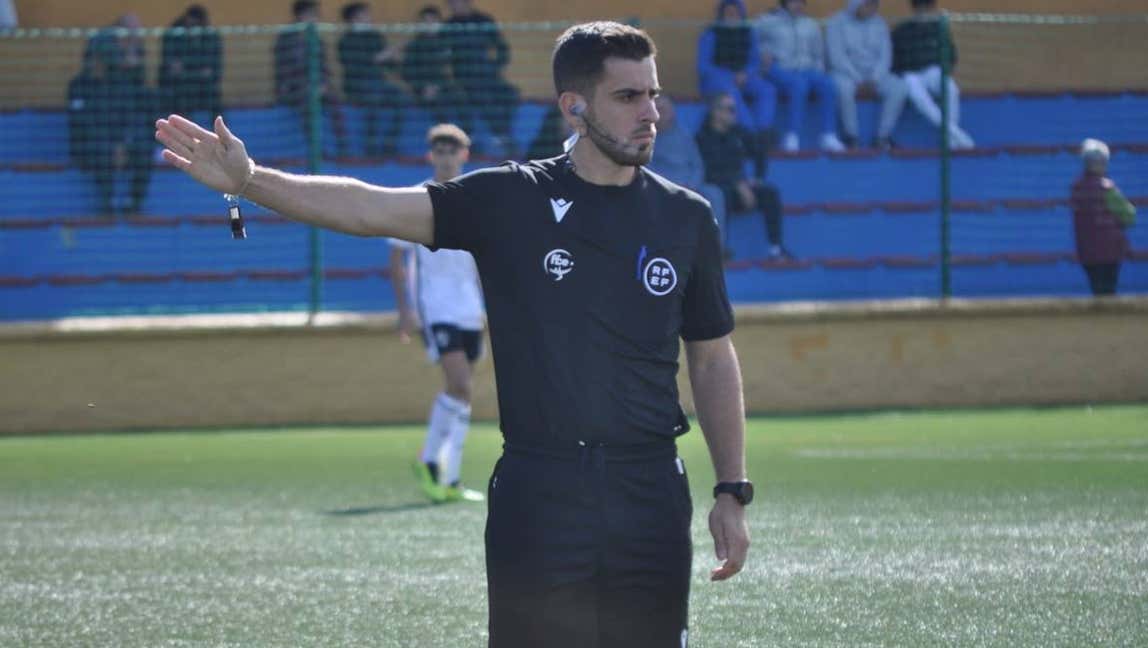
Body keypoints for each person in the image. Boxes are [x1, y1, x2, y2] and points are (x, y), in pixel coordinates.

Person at [155, 20, 751, 647]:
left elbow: (712, 360)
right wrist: (250, 181)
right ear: (574, 107)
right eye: (628, 97)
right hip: (540, 489)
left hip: (650, 489)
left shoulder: (687, 217)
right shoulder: (511, 199)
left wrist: (732, 490)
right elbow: (368, 206)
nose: (650, 112)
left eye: (653, 95)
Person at [389, 124, 486, 503]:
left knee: (461, 392)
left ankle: (447, 475)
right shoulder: (416, 198)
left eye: (453, 151)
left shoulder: (476, 197)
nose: (446, 157)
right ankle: (433, 464)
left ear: (464, 155)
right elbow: (398, 257)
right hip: (437, 306)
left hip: (469, 307)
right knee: (460, 383)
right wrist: (406, 310)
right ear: (431, 157)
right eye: (439, 151)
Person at [697, 93, 790, 261]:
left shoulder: (738, 132)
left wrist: (757, 178)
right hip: (721, 189)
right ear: (716, 112)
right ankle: (720, 249)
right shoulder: (702, 138)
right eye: (730, 110)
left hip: (742, 187)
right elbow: (708, 172)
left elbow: (759, 151)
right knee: (719, 196)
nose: (735, 114)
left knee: (770, 193)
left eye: (735, 110)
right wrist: (737, 185)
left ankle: (776, 249)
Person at [69, 38, 156, 215]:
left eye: (100, 59)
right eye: (93, 59)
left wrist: (122, 144)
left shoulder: (119, 85)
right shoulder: (78, 85)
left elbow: (128, 117)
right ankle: (106, 204)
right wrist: (111, 145)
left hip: (119, 142)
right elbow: (82, 124)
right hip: (90, 145)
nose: (96, 64)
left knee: (144, 152)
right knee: (100, 151)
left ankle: (134, 204)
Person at [755, 0, 845, 153]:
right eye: (794, 2)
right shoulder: (768, 22)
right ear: (784, 3)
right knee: (799, 84)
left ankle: (828, 134)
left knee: (828, 83)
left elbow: (818, 54)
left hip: (806, 69)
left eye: (801, 2)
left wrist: (818, 70)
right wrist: (762, 54)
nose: (798, 6)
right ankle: (792, 135)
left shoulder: (811, 25)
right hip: (780, 69)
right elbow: (752, 40)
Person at [648, 95, 730, 257]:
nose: (662, 114)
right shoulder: (646, 137)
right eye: (659, 110)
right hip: (664, 187)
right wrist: (674, 186)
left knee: (715, 193)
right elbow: (647, 169)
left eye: (666, 110)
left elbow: (697, 165)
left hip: (691, 185)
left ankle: (717, 249)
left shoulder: (684, 135)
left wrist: (692, 184)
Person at [891, 0, 974, 150]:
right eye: (920, 7)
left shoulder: (938, 28)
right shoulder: (901, 31)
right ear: (914, 9)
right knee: (916, 92)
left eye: (926, 7)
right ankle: (954, 132)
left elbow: (951, 55)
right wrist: (904, 72)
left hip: (933, 71)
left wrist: (944, 69)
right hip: (911, 74)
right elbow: (894, 61)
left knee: (951, 89)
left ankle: (950, 139)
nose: (923, 11)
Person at [826, 0, 908, 149]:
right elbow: (837, 56)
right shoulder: (836, 23)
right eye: (868, 4)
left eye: (875, 4)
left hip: (875, 76)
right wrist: (857, 79)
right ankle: (851, 136)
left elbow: (885, 55)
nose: (872, 8)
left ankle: (882, 137)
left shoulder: (880, 23)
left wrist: (875, 79)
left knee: (899, 87)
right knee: (843, 89)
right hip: (846, 73)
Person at [698, 0, 776, 153]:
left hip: (745, 76)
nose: (732, 17)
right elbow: (703, 66)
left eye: (735, 13)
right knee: (731, 93)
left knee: (767, 90)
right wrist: (729, 76)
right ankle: (749, 133)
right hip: (717, 79)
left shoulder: (749, 33)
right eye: (729, 13)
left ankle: (763, 131)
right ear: (722, 14)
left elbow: (755, 61)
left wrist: (746, 73)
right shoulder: (710, 34)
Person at [273, 0, 348, 156]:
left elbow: (324, 67)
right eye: (312, 14)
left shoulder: (317, 39)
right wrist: (305, 86)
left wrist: (324, 84)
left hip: (318, 86)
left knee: (335, 104)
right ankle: (317, 151)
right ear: (301, 15)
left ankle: (343, 149)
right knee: (308, 105)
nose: (316, 18)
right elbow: (283, 70)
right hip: (294, 89)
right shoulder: (286, 38)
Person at [444, 0, 519, 154]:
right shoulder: (449, 25)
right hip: (462, 78)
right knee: (480, 96)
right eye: (451, 3)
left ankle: (502, 137)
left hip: (487, 74)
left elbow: (502, 48)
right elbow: (442, 54)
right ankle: (475, 141)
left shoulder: (484, 20)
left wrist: (495, 67)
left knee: (511, 94)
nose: (455, 6)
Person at [337, 2, 405, 157]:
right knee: (374, 98)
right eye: (363, 15)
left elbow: (388, 65)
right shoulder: (345, 40)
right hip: (356, 86)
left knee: (401, 99)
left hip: (379, 84)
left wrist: (395, 58)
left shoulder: (375, 36)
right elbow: (354, 67)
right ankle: (371, 147)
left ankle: (390, 143)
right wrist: (378, 58)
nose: (368, 18)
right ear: (353, 19)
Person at [1069, 138, 1135, 297]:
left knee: (1097, 290)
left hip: (1086, 253)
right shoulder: (1108, 189)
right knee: (1108, 291)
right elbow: (1129, 216)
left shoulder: (1076, 188)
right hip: (1111, 252)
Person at [401, 5, 466, 128]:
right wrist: (422, 87)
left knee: (462, 98)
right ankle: (445, 136)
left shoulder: (446, 42)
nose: (429, 24)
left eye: (433, 20)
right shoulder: (415, 45)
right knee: (439, 103)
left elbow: (456, 65)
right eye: (426, 20)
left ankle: (468, 136)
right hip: (423, 89)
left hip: (443, 85)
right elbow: (407, 73)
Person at [159, 5, 222, 117]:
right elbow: (172, 68)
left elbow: (212, 69)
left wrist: (192, 69)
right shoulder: (173, 34)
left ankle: (220, 132)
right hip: (179, 84)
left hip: (202, 85)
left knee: (215, 100)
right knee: (181, 99)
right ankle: (184, 132)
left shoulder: (210, 36)